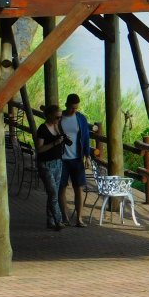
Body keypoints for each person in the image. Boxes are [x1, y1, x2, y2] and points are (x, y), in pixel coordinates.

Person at [58, 93, 91, 228]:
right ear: (66, 105)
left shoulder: (81, 118)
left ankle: (79, 219)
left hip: (77, 159)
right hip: (62, 159)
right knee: (61, 189)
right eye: (72, 108)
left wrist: (87, 156)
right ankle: (65, 218)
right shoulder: (59, 118)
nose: (74, 111)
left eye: (76, 108)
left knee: (79, 189)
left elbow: (86, 139)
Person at [36, 104, 70, 232]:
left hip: (58, 163)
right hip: (46, 165)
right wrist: (55, 143)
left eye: (60, 117)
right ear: (49, 115)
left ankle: (50, 220)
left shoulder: (57, 126)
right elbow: (39, 149)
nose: (59, 119)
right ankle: (58, 220)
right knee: (53, 193)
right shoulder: (42, 129)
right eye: (57, 117)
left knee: (53, 193)